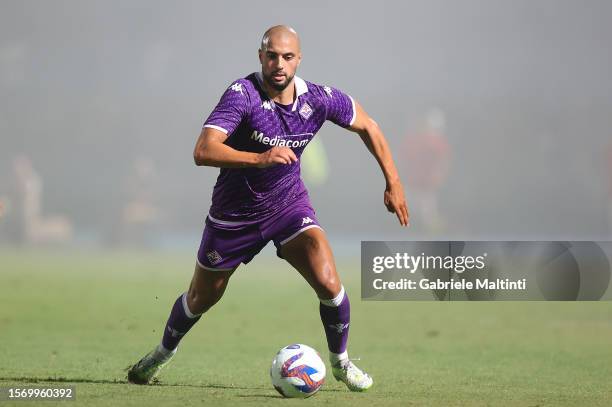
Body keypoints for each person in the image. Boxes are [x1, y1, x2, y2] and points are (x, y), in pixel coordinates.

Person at [127, 25, 409, 392]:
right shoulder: (241, 95)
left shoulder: (318, 99)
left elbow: (368, 125)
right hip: (234, 216)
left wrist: (394, 182)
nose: (279, 64)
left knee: (329, 282)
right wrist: (259, 158)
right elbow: (203, 150)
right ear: (260, 56)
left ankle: (340, 362)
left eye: (288, 57)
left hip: (288, 206)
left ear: (299, 60)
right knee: (201, 298)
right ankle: (163, 352)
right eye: (272, 55)